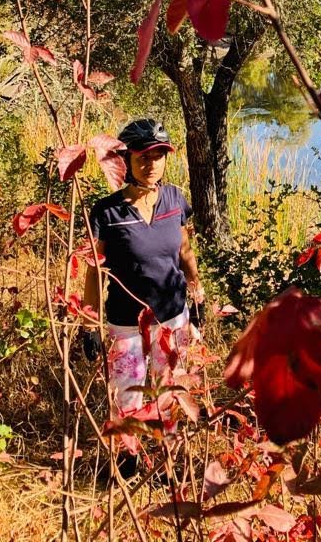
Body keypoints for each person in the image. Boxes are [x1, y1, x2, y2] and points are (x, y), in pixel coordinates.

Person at [82, 118, 205, 422]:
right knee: (127, 399)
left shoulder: (175, 199)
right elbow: (95, 272)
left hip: (173, 317)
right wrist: (89, 325)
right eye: (142, 157)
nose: (151, 164)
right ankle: (128, 462)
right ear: (126, 160)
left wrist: (197, 294)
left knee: (172, 394)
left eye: (158, 156)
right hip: (126, 323)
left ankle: (168, 461)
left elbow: (184, 251)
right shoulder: (106, 212)